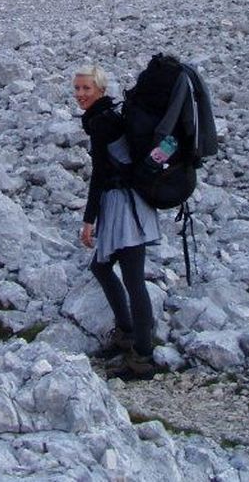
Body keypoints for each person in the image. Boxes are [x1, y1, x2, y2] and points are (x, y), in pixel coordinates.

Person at [73, 64, 161, 379]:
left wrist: (88, 219)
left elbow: (99, 173)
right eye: (77, 89)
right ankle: (128, 335)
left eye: (86, 88)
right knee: (104, 267)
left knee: (133, 279)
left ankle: (143, 357)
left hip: (124, 205)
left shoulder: (101, 123)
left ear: (100, 89)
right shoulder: (110, 115)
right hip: (126, 202)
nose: (80, 94)